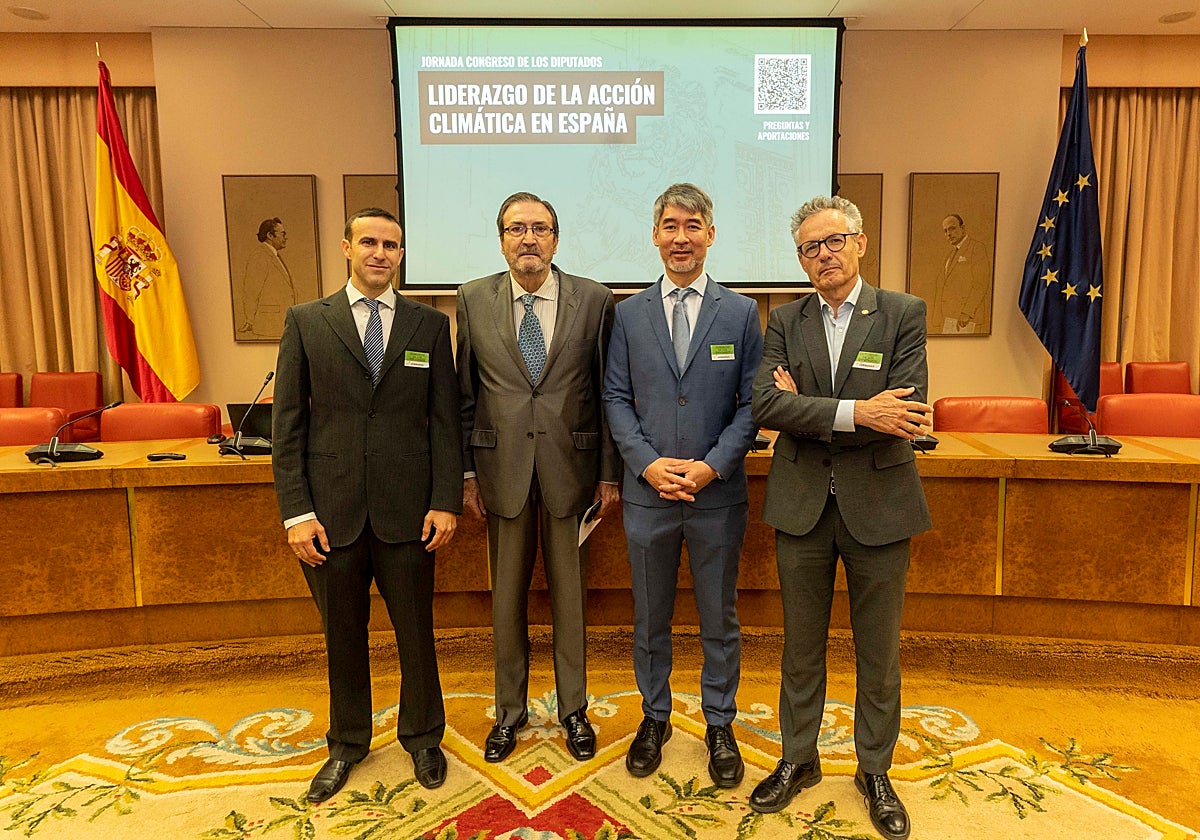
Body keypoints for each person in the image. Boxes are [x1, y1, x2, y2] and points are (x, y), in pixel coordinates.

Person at [748, 195, 932, 840]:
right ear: (800, 260)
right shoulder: (784, 319)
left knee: (878, 651)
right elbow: (765, 406)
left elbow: (906, 411)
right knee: (800, 648)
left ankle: (874, 770)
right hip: (801, 506)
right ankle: (798, 758)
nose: (823, 255)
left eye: (833, 241)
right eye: (809, 247)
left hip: (880, 505)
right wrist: (858, 411)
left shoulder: (903, 313)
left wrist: (810, 409)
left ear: (859, 243)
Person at [272, 207, 462, 803]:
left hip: (410, 514)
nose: (381, 253)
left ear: (401, 255)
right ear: (347, 247)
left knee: (416, 634)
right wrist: (296, 513)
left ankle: (424, 737)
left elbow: (444, 422)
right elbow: (288, 426)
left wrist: (445, 500)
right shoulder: (307, 321)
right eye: (370, 242)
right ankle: (347, 744)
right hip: (330, 517)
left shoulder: (429, 326)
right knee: (343, 637)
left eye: (392, 245)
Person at [602, 183, 762, 788]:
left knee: (719, 616)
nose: (681, 237)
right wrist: (647, 464)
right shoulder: (628, 314)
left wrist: (711, 465)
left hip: (716, 495)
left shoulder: (741, 313)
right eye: (670, 226)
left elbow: (753, 404)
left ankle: (720, 722)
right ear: (655, 235)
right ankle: (655, 718)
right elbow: (615, 397)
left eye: (693, 226)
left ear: (710, 235)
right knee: (651, 617)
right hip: (648, 496)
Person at [457, 192, 620, 764]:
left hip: (571, 473)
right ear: (501, 239)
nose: (528, 238)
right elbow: (465, 394)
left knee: (570, 600)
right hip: (499, 473)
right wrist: (467, 472)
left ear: (556, 238)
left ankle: (574, 710)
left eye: (540, 228)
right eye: (516, 228)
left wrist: (608, 474)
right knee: (506, 601)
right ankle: (510, 712)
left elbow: (607, 392)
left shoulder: (594, 300)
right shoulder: (472, 298)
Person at [239, 217, 296, 339]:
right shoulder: (260, 256)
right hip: (268, 326)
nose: (285, 238)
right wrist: (250, 320)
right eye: (283, 234)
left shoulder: (273, 255)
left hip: (277, 324)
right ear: (270, 235)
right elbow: (251, 292)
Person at [933, 213, 991, 334]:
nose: (948, 234)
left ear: (963, 228)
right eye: (945, 231)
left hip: (966, 319)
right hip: (948, 318)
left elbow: (980, 283)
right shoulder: (950, 256)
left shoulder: (976, 248)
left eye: (952, 228)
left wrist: (967, 312)